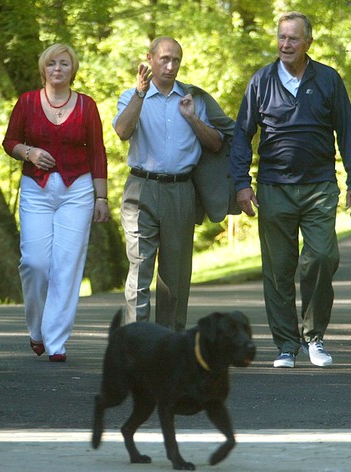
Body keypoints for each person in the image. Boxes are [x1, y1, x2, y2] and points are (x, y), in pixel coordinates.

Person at [229, 12, 351, 368]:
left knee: (322, 257)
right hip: (274, 187)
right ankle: (286, 345)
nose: (285, 45)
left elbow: (347, 131)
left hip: (319, 186)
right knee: (278, 269)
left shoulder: (328, 80)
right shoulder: (261, 81)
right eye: (281, 38)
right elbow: (242, 135)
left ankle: (314, 337)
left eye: (293, 39)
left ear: (308, 43)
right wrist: (242, 184)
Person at [2, 44, 108, 362]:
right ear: (43, 69)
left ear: (73, 70)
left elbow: (98, 152)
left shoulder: (87, 106)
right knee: (34, 264)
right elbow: (9, 141)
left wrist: (102, 197)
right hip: (36, 188)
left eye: (64, 64)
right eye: (52, 64)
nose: (58, 69)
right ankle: (37, 329)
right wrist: (29, 152)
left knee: (67, 266)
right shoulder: (28, 102)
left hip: (78, 190)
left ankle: (57, 341)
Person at [114, 36, 224, 332]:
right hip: (141, 189)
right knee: (140, 266)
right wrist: (139, 93)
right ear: (149, 59)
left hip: (180, 190)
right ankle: (136, 340)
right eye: (164, 58)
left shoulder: (194, 99)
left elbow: (216, 143)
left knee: (174, 275)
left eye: (176, 59)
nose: (171, 65)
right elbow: (122, 131)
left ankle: (169, 342)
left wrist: (192, 119)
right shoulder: (131, 95)